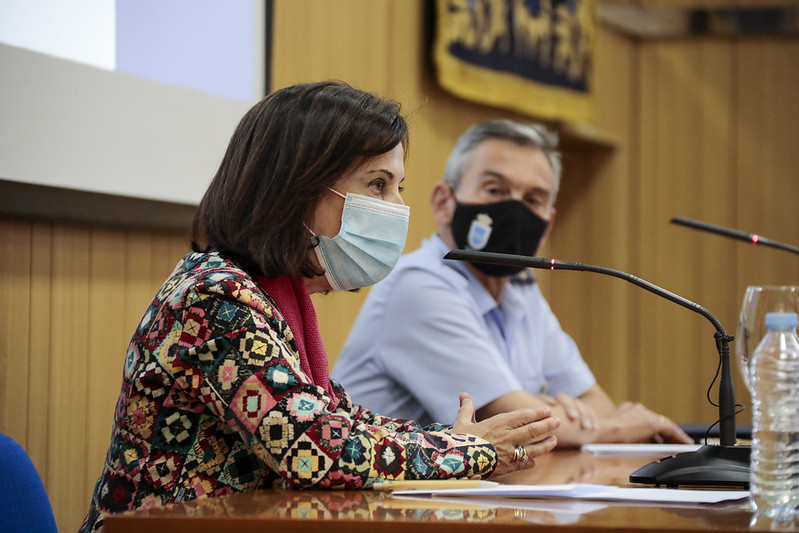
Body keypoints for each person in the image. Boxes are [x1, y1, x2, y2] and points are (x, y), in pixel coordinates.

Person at [79, 83, 561, 532]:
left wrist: (456, 440)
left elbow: (345, 423)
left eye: (398, 188)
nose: (394, 207)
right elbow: (314, 448)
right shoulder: (213, 297)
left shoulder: (275, 297)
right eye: (377, 185)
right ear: (296, 189)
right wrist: (467, 452)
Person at [333, 119, 693, 448]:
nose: (514, 212)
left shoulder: (521, 288)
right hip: (374, 508)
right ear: (444, 202)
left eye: (532, 200)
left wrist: (569, 418)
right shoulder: (417, 286)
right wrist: (611, 428)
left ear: (547, 225)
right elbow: (517, 421)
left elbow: (596, 402)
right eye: (495, 190)